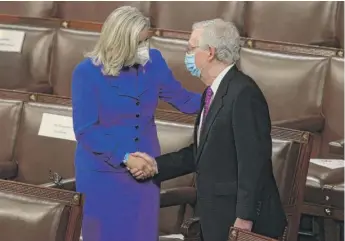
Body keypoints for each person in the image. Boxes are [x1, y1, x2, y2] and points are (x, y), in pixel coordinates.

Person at [129, 19, 287, 241]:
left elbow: (253, 162)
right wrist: (156, 166)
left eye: (191, 48)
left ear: (210, 52)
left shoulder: (243, 94)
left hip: (240, 222)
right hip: (214, 217)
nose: (187, 54)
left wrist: (244, 218)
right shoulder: (213, 93)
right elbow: (203, 153)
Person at [71, 6, 201, 241]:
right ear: (120, 42)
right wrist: (126, 157)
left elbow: (184, 100)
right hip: (103, 174)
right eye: (140, 43)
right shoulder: (86, 73)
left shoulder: (154, 62)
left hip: (144, 170)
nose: (145, 49)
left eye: (146, 41)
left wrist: (222, 94)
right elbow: (86, 131)